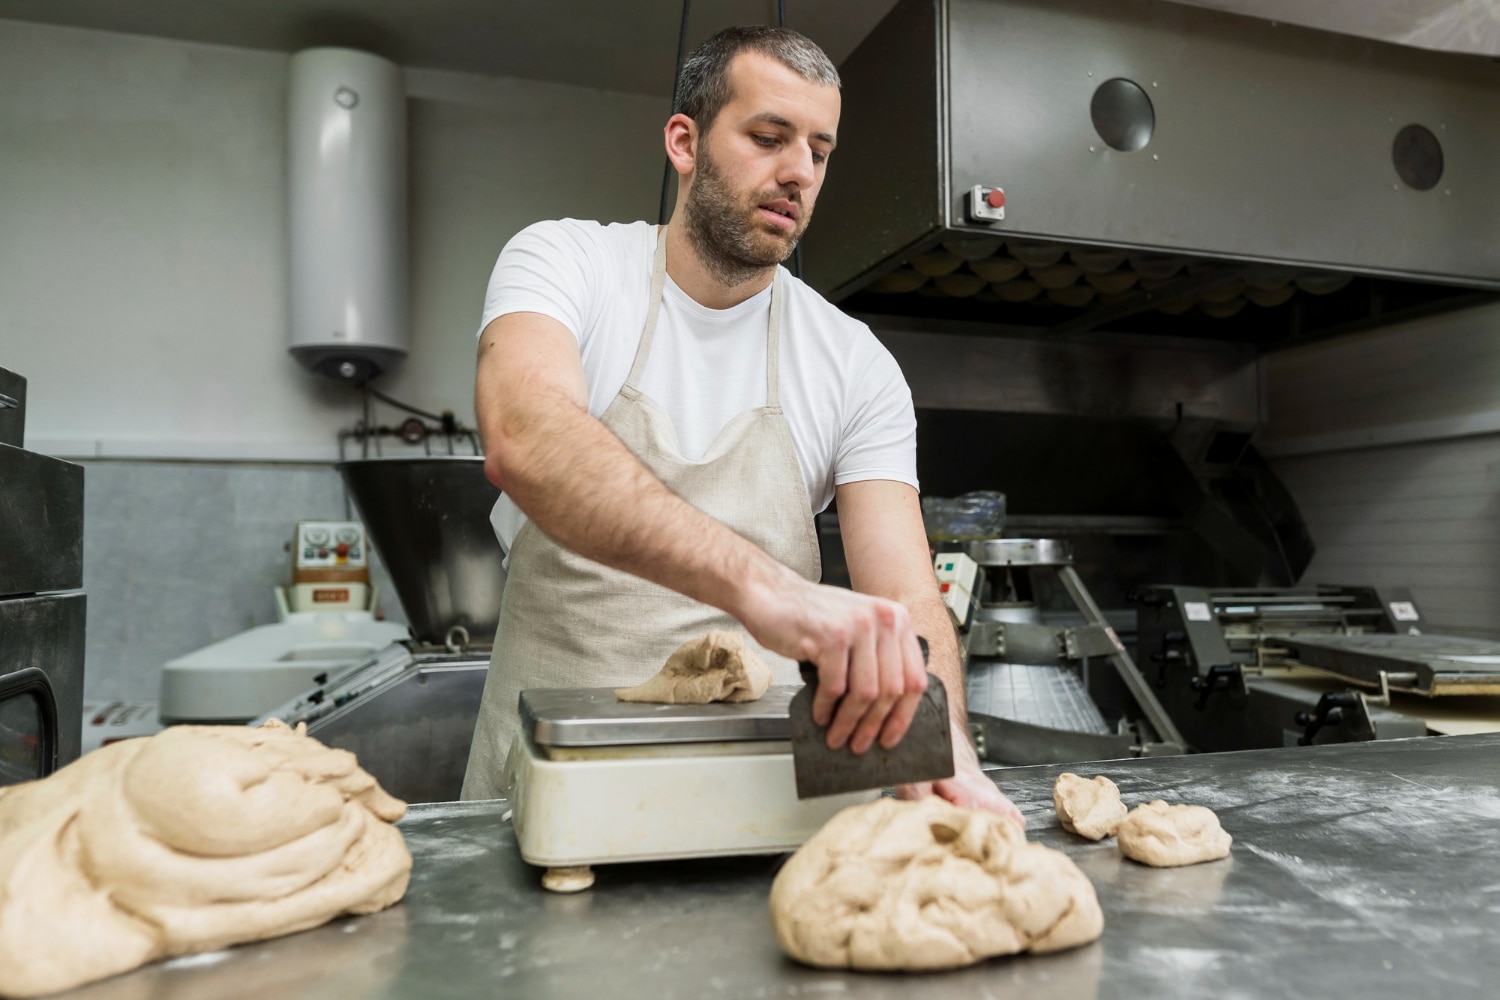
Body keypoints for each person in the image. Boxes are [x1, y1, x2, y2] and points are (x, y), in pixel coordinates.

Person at [461, 25, 1021, 822]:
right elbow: (529, 437)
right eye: (768, 137)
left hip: (759, 811)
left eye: (820, 152)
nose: (798, 172)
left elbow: (905, 594)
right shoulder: (566, 265)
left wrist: (942, 739)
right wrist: (769, 593)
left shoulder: (855, 364)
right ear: (684, 143)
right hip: (548, 799)